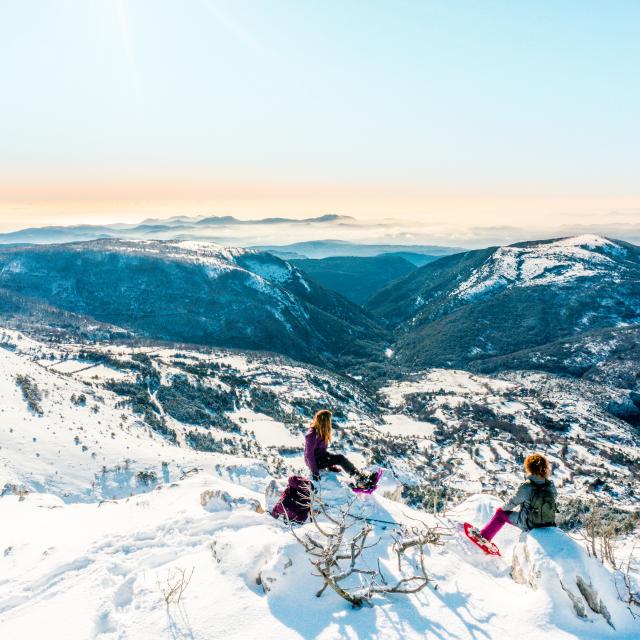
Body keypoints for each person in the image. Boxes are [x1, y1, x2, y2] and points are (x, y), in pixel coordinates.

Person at [472, 452, 557, 543]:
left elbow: (513, 502)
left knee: (500, 514)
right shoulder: (550, 485)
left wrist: (502, 508)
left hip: (529, 523)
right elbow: (554, 497)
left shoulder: (527, 486)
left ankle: (484, 537)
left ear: (529, 468)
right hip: (547, 522)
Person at [304, 409, 374, 487]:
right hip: (316, 462)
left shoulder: (321, 432)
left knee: (339, 458)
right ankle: (360, 479)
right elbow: (308, 455)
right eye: (329, 421)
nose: (330, 423)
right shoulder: (311, 435)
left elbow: (322, 452)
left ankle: (359, 476)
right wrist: (315, 473)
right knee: (340, 458)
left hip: (320, 458)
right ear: (325, 422)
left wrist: (331, 466)